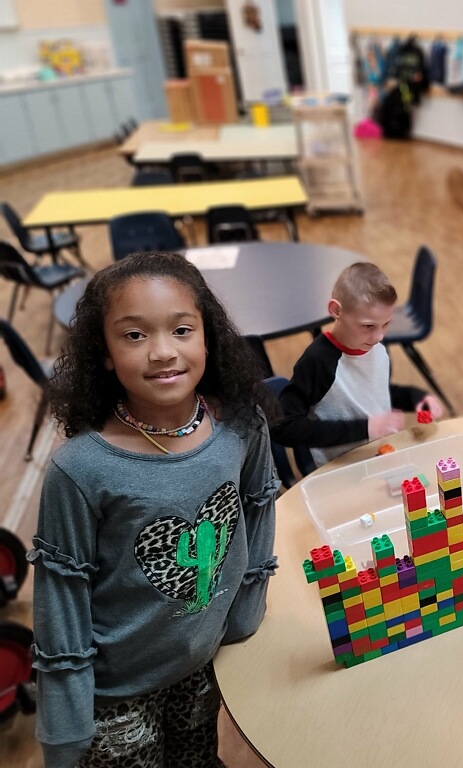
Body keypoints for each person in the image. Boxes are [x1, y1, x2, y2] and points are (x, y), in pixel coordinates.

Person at [31, 252, 280, 767]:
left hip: (202, 666)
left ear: (208, 336)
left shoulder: (241, 425)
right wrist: (64, 728)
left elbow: (257, 508)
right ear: (104, 353)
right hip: (114, 692)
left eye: (182, 330)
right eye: (134, 335)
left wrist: (244, 617)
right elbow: (61, 595)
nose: (164, 352)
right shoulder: (80, 469)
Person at [271, 261, 446, 466]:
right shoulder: (318, 361)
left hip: (378, 457)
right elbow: (284, 427)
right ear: (336, 310)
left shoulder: (377, 348)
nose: (379, 336)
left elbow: (371, 393)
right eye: (368, 326)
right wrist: (366, 428)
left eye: (386, 324)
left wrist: (415, 397)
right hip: (338, 468)